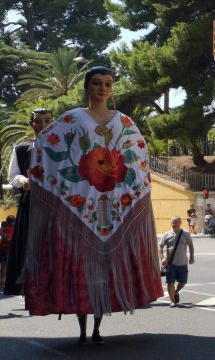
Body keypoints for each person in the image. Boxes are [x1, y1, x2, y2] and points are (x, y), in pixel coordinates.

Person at [22, 66, 164, 344]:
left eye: (108, 84)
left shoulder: (123, 121)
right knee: (82, 272)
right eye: (97, 83)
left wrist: (134, 186)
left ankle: (96, 328)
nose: (103, 88)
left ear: (112, 89)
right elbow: (45, 146)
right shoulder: (72, 119)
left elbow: (138, 153)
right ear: (87, 87)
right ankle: (84, 328)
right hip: (80, 201)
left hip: (113, 203)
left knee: (103, 274)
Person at [4, 107, 53, 296]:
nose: (43, 125)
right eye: (38, 121)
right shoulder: (21, 149)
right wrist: (23, 181)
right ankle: (30, 287)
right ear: (31, 123)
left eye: (48, 121)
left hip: (56, 202)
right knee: (29, 244)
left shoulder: (64, 148)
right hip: (30, 203)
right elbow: (13, 175)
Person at [159, 216, 195, 307]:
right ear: (171, 223)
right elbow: (160, 247)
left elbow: (190, 246)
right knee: (170, 282)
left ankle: (176, 292)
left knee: (183, 282)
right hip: (170, 264)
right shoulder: (166, 235)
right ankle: (172, 301)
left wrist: (192, 257)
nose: (175, 224)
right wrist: (162, 258)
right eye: (173, 223)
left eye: (176, 222)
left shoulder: (186, 234)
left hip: (182, 263)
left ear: (180, 223)